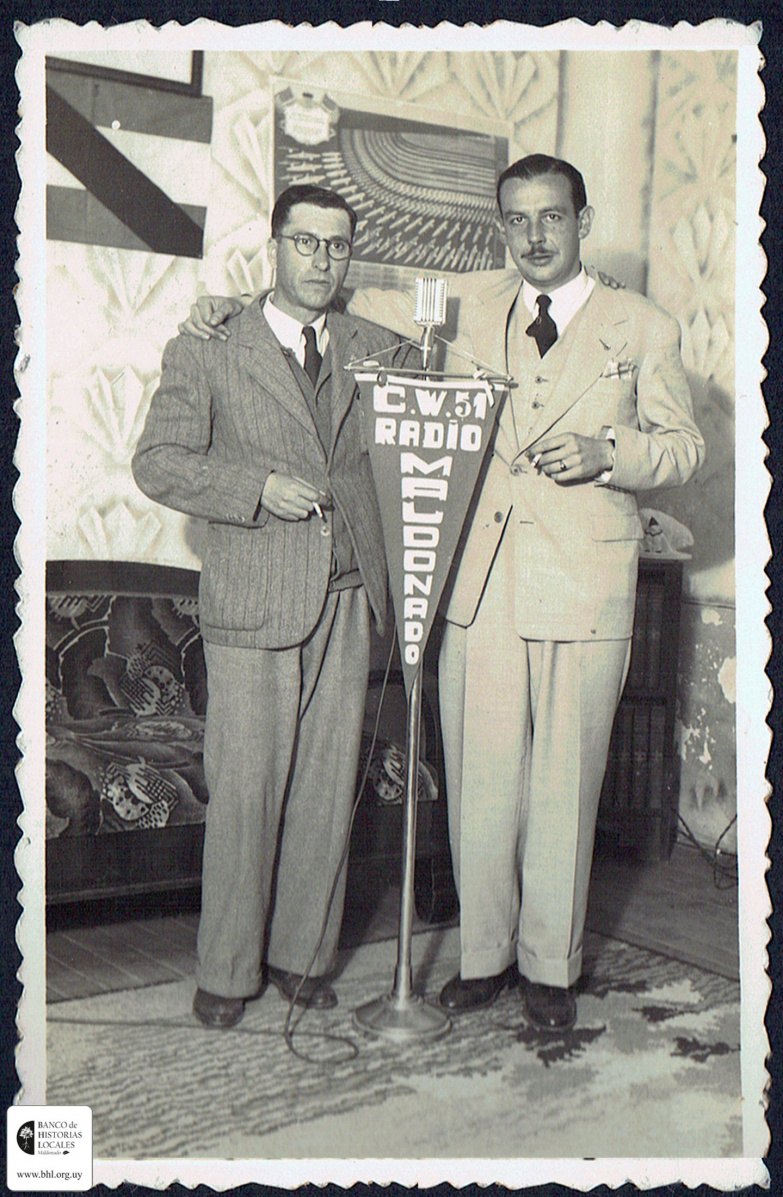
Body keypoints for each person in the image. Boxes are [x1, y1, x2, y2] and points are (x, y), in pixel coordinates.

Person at [178, 154, 705, 1035]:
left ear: (582, 221)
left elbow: (684, 447)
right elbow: (324, 295)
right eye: (516, 219)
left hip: (583, 584)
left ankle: (549, 966)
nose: (533, 235)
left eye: (551, 216)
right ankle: (484, 958)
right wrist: (230, 305)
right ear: (500, 228)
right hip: (476, 585)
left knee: (565, 787)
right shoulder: (462, 302)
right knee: (480, 785)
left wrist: (611, 452)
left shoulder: (643, 326)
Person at [132, 184, 414, 1029]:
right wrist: (255, 487)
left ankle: (303, 958)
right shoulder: (212, 345)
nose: (322, 259)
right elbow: (158, 462)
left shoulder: (375, 347)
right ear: (274, 245)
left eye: (338, 245)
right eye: (306, 242)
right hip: (253, 600)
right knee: (247, 790)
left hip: (347, 596)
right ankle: (226, 970)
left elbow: (445, 364)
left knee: (326, 789)